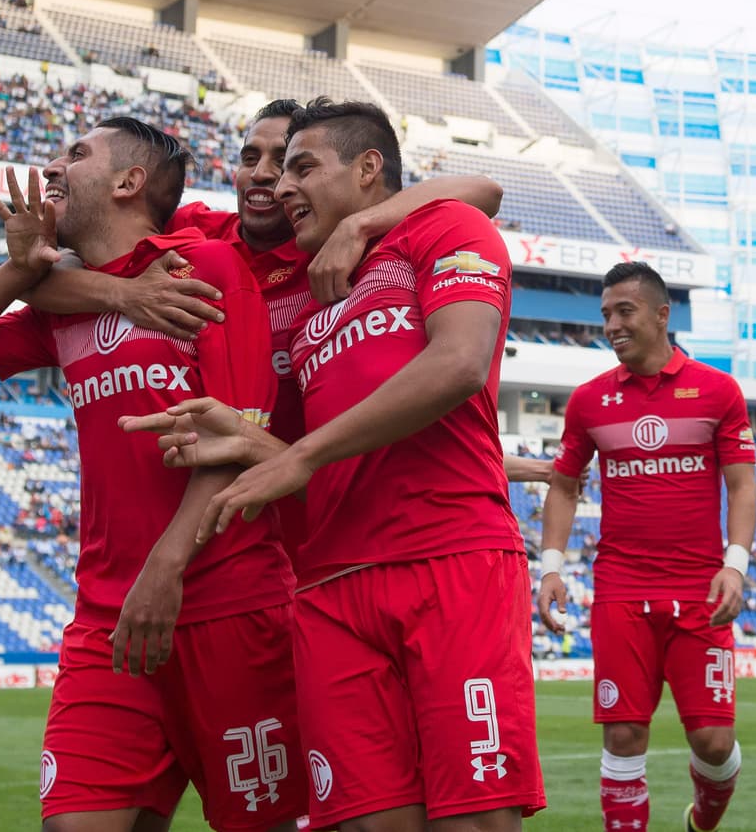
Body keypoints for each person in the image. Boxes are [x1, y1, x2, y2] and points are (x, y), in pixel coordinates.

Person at [123, 99, 544, 831]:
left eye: (303, 168)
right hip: (326, 587)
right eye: (275, 169)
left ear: (369, 169)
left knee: (474, 820)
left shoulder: (444, 227)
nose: (282, 185)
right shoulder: (311, 301)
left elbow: (460, 364)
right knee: (367, 822)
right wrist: (241, 434)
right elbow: (307, 447)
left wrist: (304, 454)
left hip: (449, 559)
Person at [0, 117, 304, 832]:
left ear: (129, 181)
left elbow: (234, 441)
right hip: (107, 620)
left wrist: (166, 567)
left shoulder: (204, 268)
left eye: (76, 154)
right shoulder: (66, 305)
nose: (52, 168)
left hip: (230, 607)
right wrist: (20, 268)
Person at [22, 99, 507, 549]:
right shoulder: (202, 237)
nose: (264, 175)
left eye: (289, 162)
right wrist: (125, 294)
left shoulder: (336, 250)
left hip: (332, 512)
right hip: (251, 527)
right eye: (250, 157)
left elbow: (484, 192)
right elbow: (50, 269)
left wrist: (358, 225)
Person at [537, 262, 756, 832]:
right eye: (605, 314)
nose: (611, 325)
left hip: (700, 589)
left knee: (713, 742)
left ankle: (704, 815)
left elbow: (741, 486)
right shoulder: (588, 401)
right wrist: (551, 567)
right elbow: (563, 484)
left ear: (662, 315)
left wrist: (735, 565)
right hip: (621, 589)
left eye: (624, 311)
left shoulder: (718, 391)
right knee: (624, 734)